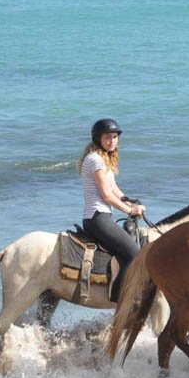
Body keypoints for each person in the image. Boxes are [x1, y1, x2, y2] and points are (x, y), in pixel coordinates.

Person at [78, 118, 146, 303]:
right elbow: (107, 196)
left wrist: (131, 204)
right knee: (134, 253)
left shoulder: (103, 159)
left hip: (103, 216)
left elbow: (115, 190)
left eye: (115, 137)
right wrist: (129, 211)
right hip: (97, 217)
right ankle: (120, 295)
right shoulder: (94, 160)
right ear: (98, 138)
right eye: (108, 137)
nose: (112, 141)